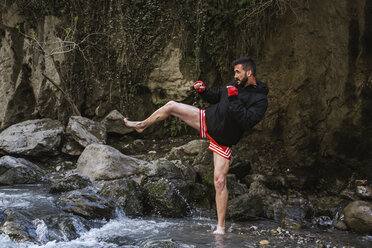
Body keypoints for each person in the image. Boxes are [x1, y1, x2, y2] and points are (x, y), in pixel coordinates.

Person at [123, 57, 269, 235]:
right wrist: (203, 91)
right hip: (207, 119)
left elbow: (247, 121)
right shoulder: (233, 85)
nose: (235, 75)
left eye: (238, 72)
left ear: (249, 72)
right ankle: (142, 125)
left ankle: (220, 227)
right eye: (235, 72)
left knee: (220, 181)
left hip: (223, 138)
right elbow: (217, 97)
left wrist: (234, 99)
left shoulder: (260, 99)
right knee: (171, 106)